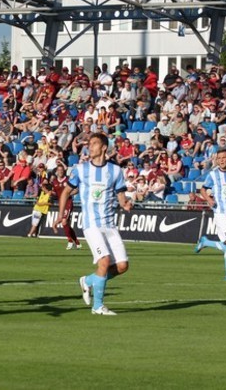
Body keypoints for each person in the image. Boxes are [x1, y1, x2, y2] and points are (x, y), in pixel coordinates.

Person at [53, 133, 133, 315]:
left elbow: (121, 198)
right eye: (89, 144)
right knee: (104, 261)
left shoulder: (115, 171)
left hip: (110, 225)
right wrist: (60, 215)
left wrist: (126, 204)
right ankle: (98, 306)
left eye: (94, 143)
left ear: (104, 147)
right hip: (91, 225)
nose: (90, 146)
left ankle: (88, 281)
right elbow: (65, 192)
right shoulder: (81, 170)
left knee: (122, 266)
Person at [194, 148, 226, 281]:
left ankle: (206, 242)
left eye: (224, 157)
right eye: (219, 158)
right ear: (216, 160)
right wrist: (209, 199)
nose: (222, 160)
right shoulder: (213, 174)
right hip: (220, 212)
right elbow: (203, 189)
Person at [51, 165, 82, 250]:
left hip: (68, 202)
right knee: (66, 224)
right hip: (61, 203)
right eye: (59, 170)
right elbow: (55, 193)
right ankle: (77, 242)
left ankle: (70, 241)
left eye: (62, 170)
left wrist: (68, 194)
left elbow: (77, 190)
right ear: (57, 171)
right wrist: (47, 191)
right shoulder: (54, 182)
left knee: (64, 221)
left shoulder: (68, 180)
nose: (60, 171)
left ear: (64, 171)